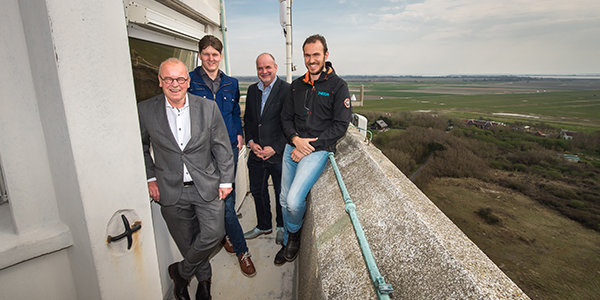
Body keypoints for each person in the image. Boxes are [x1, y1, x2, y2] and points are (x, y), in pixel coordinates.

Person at [138, 58, 234, 300]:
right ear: (160, 81)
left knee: (214, 233)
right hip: (169, 189)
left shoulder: (207, 108)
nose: (175, 84)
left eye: (180, 78)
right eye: (168, 79)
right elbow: (140, 145)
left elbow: (222, 146)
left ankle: (180, 272)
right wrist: (150, 177)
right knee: (187, 240)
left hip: (207, 185)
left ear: (188, 81)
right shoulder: (145, 109)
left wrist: (226, 181)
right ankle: (204, 281)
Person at [275, 34, 352, 266]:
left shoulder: (338, 86)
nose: (311, 59)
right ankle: (288, 238)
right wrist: (296, 139)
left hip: (317, 150)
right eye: (307, 55)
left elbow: (340, 126)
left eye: (316, 54)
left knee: (295, 201)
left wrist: (308, 145)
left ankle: (294, 236)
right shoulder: (297, 86)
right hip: (293, 147)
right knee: (282, 199)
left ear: (326, 55)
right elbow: (285, 118)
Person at [188, 35, 255, 277]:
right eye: (206, 54)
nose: (211, 58)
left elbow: (235, 110)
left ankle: (230, 239)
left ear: (220, 56)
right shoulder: (189, 81)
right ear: (200, 55)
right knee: (222, 204)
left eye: (215, 54)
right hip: (201, 154)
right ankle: (242, 250)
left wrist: (238, 133)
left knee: (228, 198)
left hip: (227, 150)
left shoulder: (231, 83)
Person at [243, 53, 290, 244]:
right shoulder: (253, 90)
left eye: (268, 67)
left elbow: (290, 123)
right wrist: (251, 142)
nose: (264, 71)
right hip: (256, 154)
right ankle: (263, 225)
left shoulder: (287, 90)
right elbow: (249, 120)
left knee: (281, 193)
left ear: (275, 67)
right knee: (257, 191)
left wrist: (275, 148)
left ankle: (280, 226)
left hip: (277, 155)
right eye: (260, 68)